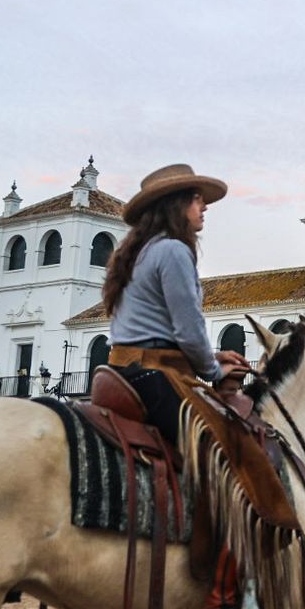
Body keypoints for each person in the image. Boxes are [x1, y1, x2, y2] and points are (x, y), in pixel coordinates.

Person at [101, 163, 250, 442]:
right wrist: (213, 370)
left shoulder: (139, 252)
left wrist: (207, 358)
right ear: (175, 204)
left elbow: (162, 332)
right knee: (222, 448)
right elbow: (188, 328)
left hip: (123, 370)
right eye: (196, 198)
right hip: (152, 377)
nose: (204, 205)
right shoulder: (173, 250)